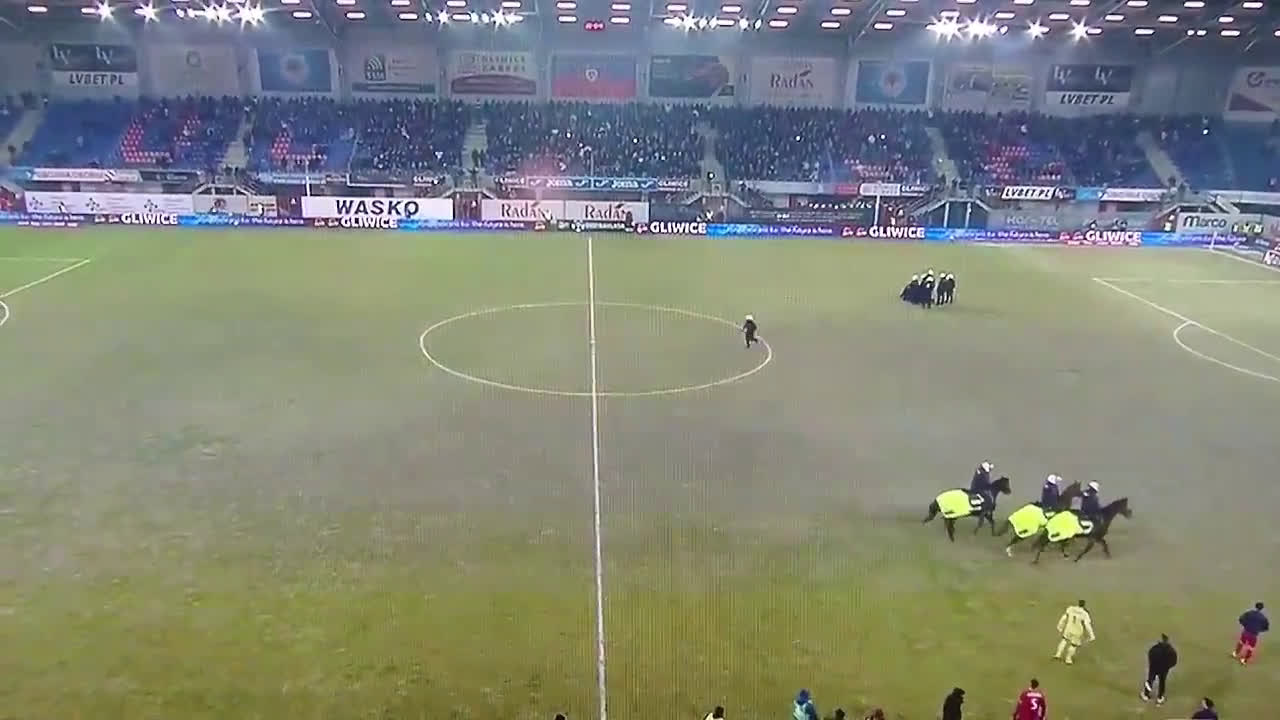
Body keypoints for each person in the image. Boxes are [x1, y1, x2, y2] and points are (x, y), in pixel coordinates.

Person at [1054, 599, 1096, 665]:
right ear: (1084, 605)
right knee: (1073, 645)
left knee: (1064, 640)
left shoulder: (1071, 609)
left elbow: (1064, 618)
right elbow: (1087, 625)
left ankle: (1058, 654)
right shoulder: (1085, 613)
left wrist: (1060, 626)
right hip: (1078, 631)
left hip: (1069, 628)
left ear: (1078, 603)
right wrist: (1091, 635)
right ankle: (1068, 659)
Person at [1143, 633, 1178, 704]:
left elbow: (1150, 654)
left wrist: (1152, 664)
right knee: (1162, 682)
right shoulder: (1171, 651)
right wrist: (1167, 667)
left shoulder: (1156, 648)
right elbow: (1174, 661)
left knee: (1150, 680)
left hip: (1154, 668)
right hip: (1164, 670)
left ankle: (1146, 695)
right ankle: (1160, 697)